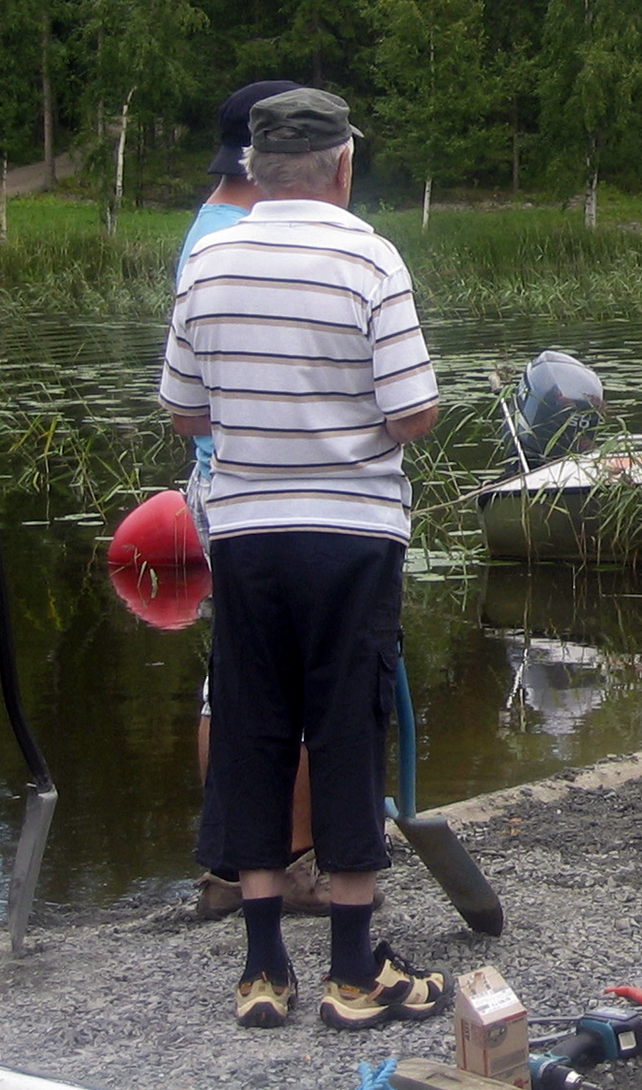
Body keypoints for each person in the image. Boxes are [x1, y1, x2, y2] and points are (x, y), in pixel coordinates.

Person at [158, 88, 448, 1030]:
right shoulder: (368, 255)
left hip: (246, 535)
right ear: (343, 164)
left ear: (254, 163)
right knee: (348, 726)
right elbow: (412, 410)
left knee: (253, 724)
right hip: (353, 532)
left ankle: (262, 970)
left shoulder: (207, 260)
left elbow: (185, 409)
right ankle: (356, 973)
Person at [176, 79, 336, 924]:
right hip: (257, 484)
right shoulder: (238, 233)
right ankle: (291, 859)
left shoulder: (208, 227)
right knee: (289, 682)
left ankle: (233, 866)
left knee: (230, 679)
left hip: (220, 479)